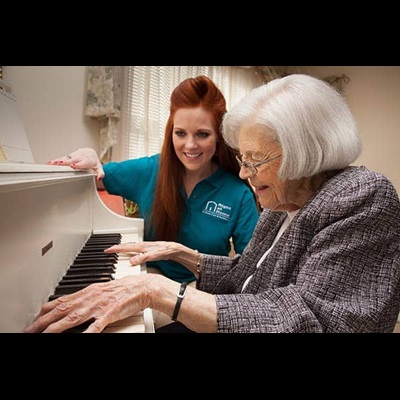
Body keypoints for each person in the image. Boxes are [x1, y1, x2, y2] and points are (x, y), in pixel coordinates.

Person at [26, 73, 400, 334]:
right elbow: (246, 276)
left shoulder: (362, 197)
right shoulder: (282, 202)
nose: (243, 174)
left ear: (305, 154)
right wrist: (181, 253)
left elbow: (312, 317)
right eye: (244, 159)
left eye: (254, 160)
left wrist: (162, 292)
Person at [46, 75, 260, 329]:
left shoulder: (238, 193)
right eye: (181, 133)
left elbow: (252, 270)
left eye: (202, 134)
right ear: (171, 132)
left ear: (218, 136)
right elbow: (98, 176)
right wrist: (90, 157)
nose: (190, 145)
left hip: (199, 294)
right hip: (147, 277)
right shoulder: (151, 170)